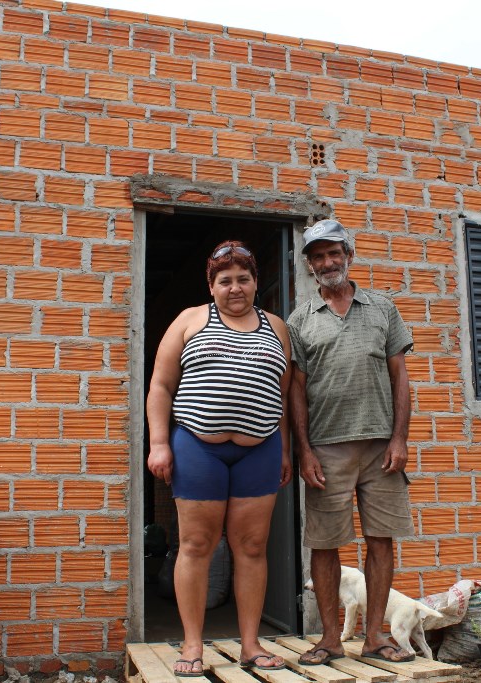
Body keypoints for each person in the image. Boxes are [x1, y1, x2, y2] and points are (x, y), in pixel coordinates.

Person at [146, 240, 292, 676]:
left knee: (252, 546)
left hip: (260, 450)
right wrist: (159, 443)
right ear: (211, 286)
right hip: (197, 447)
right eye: (225, 280)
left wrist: (284, 448)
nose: (235, 288)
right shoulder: (189, 320)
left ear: (255, 282)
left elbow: (282, 394)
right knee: (196, 544)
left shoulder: (276, 327)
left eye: (243, 279)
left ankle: (250, 645)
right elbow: (161, 386)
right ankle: (192, 645)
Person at [287, 219, 416, 665]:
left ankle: (375, 636)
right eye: (318, 256)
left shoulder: (383, 308)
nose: (327, 262)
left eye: (334, 253)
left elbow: (400, 377)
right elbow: (296, 390)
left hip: (381, 448)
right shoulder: (300, 319)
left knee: (380, 539)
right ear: (309, 265)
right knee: (325, 543)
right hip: (326, 448)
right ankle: (329, 639)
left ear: (349, 255)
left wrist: (400, 438)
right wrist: (304, 450)